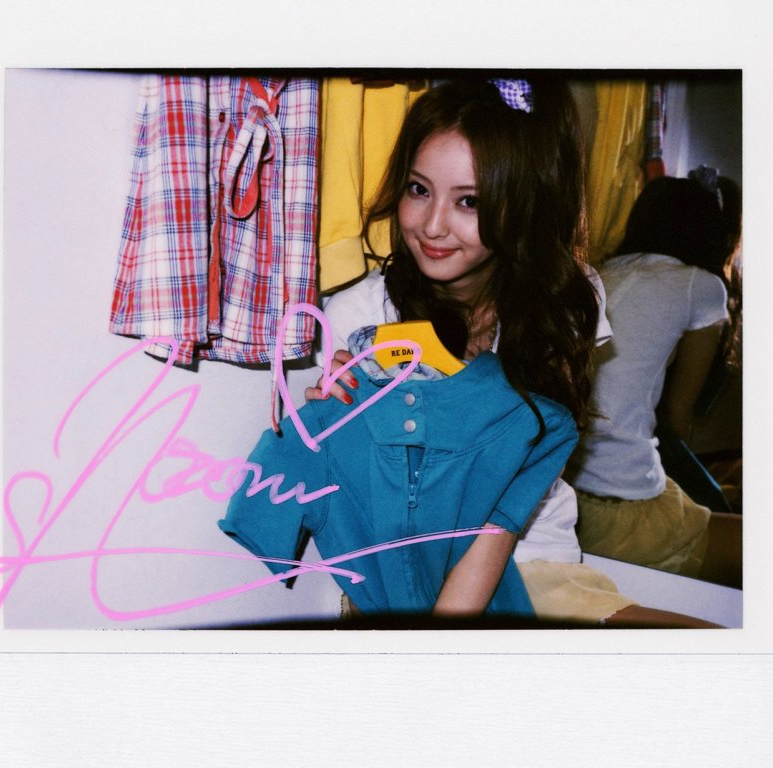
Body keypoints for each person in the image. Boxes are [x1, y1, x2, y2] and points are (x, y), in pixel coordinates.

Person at [299, 77, 718, 627]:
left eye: (469, 201)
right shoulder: (361, 315)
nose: (432, 225)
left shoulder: (568, 297)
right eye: (418, 189)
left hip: (530, 551)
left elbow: (516, 489)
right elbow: (367, 505)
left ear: (523, 202)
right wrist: (333, 429)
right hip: (406, 573)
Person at [566, 174, 743, 588]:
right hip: (620, 502)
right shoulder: (702, 287)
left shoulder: (600, 272)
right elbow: (679, 418)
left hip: (566, 493)